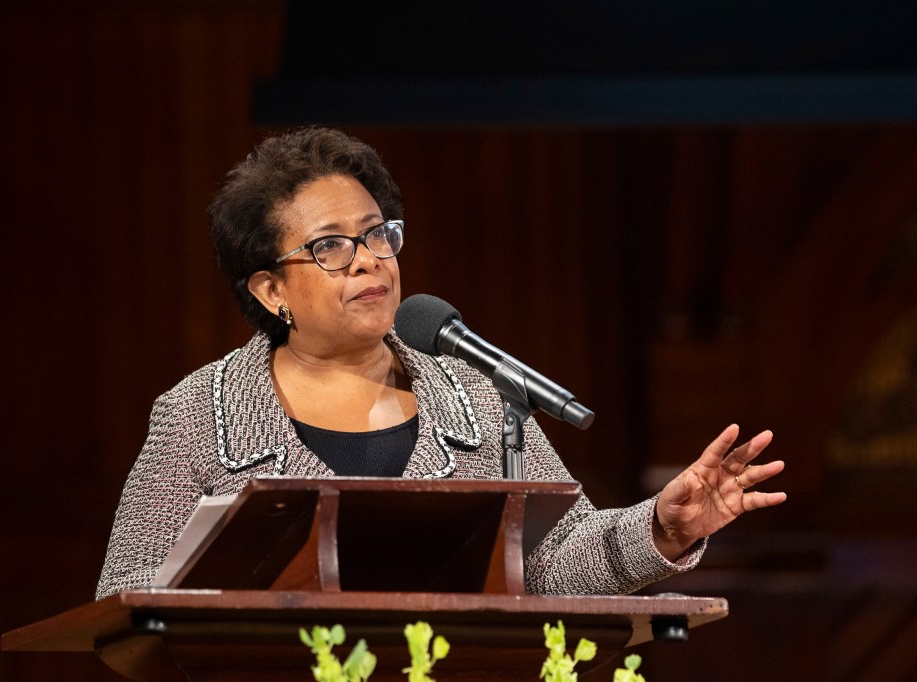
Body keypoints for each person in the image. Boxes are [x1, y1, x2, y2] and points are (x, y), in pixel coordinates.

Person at [95, 127, 786, 600]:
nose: (368, 259)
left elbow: (552, 567)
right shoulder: (198, 414)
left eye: (377, 235)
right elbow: (127, 594)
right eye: (331, 247)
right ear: (270, 289)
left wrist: (665, 526)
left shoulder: (476, 400)